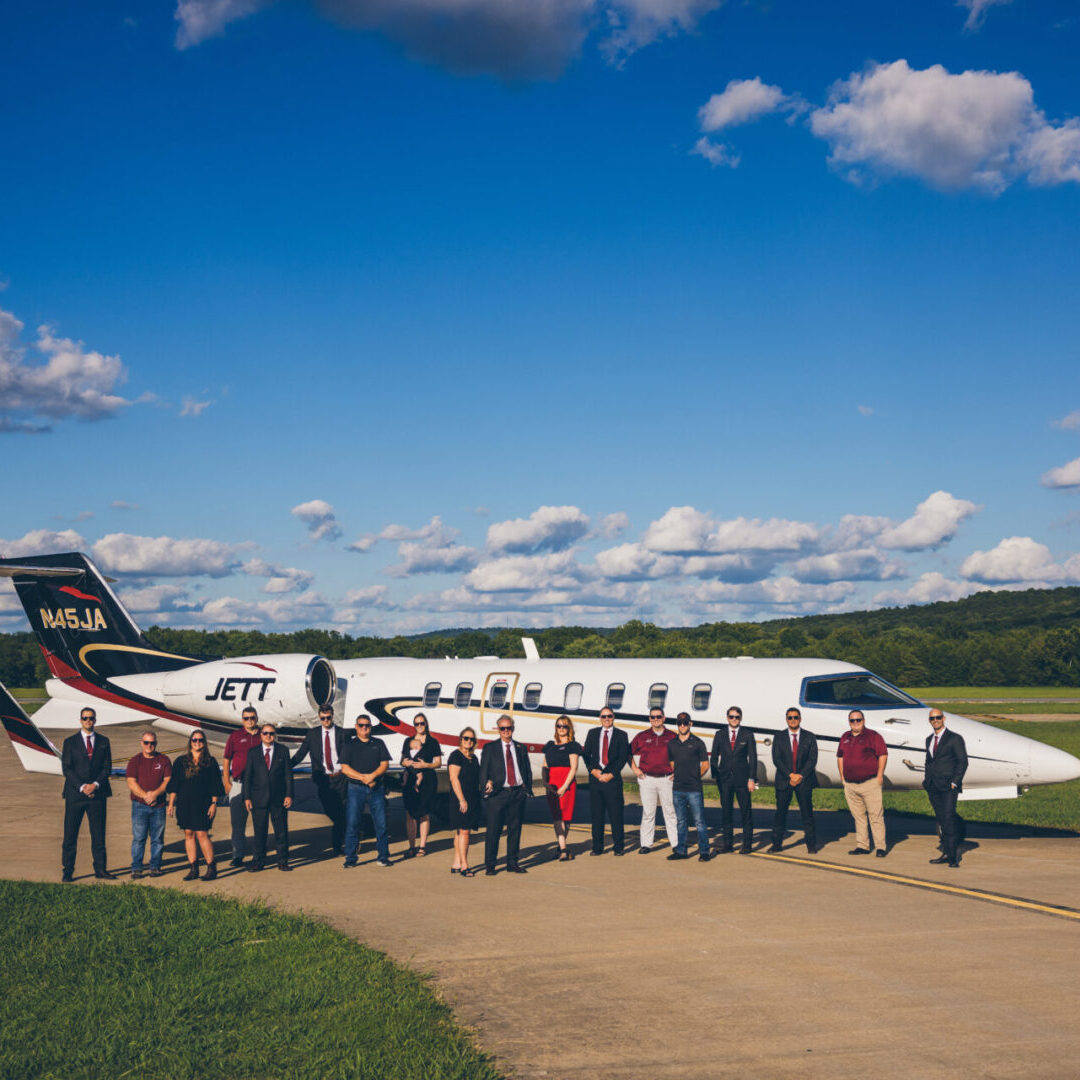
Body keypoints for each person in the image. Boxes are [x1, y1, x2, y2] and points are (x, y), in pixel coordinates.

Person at [60, 707, 115, 881]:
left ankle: (100, 869)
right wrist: (83, 786)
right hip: (75, 795)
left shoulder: (104, 741)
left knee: (98, 834)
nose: (88, 721)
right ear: (80, 720)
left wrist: (95, 785)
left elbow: (107, 768)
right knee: (70, 834)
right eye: (85, 718)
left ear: (95, 720)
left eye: (91, 718)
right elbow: (66, 768)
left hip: (97, 795)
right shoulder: (70, 742)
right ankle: (68, 870)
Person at [166, 729, 226, 880]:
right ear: (190, 742)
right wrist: (171, 804)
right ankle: (193, 868)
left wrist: (214, 803)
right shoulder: (180, 761)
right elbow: (175, 784)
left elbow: (215, 785)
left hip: (204, 803)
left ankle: (211, 867)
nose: (197, 743)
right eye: (194, 740)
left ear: (204, 743)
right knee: (188, 833)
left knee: (202, 834)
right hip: (185, 803)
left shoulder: (210, 761)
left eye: (200, 740)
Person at [479, 714, 533, 875]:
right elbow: (483, 771)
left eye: (509, 728)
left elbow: (527, 770)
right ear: (498, 730)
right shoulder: (490, 748)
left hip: (517, 794)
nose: (506, 731)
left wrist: (526, 790)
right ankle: (490, 864)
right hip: (498, 795)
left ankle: (512, 862)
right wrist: (485, 786)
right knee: (493, 831)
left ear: (513, 729)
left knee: (515, 830)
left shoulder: (520, 748)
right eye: (503, 728)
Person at [290, 705, 347, 856]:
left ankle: (338, 846)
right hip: (323, 780)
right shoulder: (313, 734)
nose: (326, 721)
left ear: (332, 716)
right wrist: (285, 766)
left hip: (341, 778)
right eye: (323, 718)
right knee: (332, 812)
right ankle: (345, 836)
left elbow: (350, 754)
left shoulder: (342, 733)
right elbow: (301, 753)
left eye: (328, 717)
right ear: (319, 717)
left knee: (342, 812)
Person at [341, 714, 392, 868]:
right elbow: (345, 768)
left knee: (381, 824)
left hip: (376, 788)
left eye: (367, 726)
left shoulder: (378, 743)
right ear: (356, 727)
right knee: (352, 824)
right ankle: (350, 858)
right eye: (361, 725)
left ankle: (383, 856)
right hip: (355, 789)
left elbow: (384, 764)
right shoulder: (349, 745)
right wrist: (362, 778)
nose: (364, 728)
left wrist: (373, 776)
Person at [243, 722, 294, 872]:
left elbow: (288, 776)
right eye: (265, 733)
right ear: (261, 735)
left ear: (275, 735)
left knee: (281, 832)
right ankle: (259, 861)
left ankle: (283, 860)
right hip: (258, 799)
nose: (268, 736)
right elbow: (247, 777)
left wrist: (289, 795)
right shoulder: (253, 752)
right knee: (259, 832)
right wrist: (247, 797)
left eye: (271, 733)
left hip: (278, 799)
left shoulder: (283, 751)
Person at [837, 710, 889, 857]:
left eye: (858, 720)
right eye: (852, 721)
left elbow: (883, 754)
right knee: (858, 817)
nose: (855, 723)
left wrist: (879, 775)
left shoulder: (873, 736)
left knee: (876, 816)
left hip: (870, 782)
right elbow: (840, 756)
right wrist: (842, 777)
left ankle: (880, 847)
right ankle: (862, 846)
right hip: (850, 784)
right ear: (849, 722)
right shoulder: (845, 737)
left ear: (863, 720)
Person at [710, 705, 758, 854]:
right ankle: (728, 844)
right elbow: (714, 757)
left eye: (737, 717)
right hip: (725, 780)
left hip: (742, 779)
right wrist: (717, 776)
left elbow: (753, 758)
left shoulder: (747, 735)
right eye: (731, 717)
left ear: (740, 718)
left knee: (746, 812)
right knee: (726, 813)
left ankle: (747, 845)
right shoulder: (720, 734)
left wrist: (752, 779)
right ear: (727, 718)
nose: (734, 719)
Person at [770, 707, 819, 854]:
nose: (793, 720)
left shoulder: (810, 737)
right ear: (786, 719)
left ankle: (811, 845)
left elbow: (812, 759)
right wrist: (790, 775)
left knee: (807, 815)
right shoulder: (778, 737)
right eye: (790, 717)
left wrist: (800, 776)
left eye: (795, 717)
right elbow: (776, 759)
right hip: (784, 780)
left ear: (800, 719)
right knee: (780, 814)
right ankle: (776, 844)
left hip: (804, 781)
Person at [583, 707, 630, 856]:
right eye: (604, 716)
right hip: (596, 781)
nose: (607, 719)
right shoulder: (592, 733)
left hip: (613, 781)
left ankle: (618, 847)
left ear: (613, 717)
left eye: (609, 716)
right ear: (600, 718)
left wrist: (611, 774)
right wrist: (593, 770)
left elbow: (622, 759)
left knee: (616, 816)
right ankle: (597, 847)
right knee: (597, 816)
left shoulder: (622, 735)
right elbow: (586, 755)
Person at [924, 709, 968, 868]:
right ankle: (946, 853)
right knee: (942, 820)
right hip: (933, 786)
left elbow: (962, 762)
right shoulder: (929, 739)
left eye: (938, 717)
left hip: (948, 787)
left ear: (944, 718)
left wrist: (955, 782)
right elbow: (929, 761)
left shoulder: (955, 738)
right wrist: (926, 781)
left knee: (949, 820)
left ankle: (953, 858)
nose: (935, 720)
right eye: (932, 718)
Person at [125, 729, 172, 878]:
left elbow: (168, 780)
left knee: (157, 839)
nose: (149, 745)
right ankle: (137, 868)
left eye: (152, 743)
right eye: (146, 742)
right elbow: (131, 782)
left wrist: (156, 794)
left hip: (159, 807)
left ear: (156, 744)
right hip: (139, 806)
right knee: (139, 838)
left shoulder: (164, 760)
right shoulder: (134, 761)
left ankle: (155, 867)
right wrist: (146, 796)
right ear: (141, 743)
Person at [630, 708, 676, 854]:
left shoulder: (672, 736)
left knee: (670, 812)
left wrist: (677, 772)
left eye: (658, 716)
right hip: (647, 779)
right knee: (649, 813)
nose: (655, 719)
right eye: (652, 717)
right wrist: (636, 770)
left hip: (666, 779)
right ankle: (646, 844)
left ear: (664, 718)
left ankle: (676, 844)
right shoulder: (642, 736)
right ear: (649, 719)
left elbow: (681, 755)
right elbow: (627, 753)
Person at [667, 713, 710, 862]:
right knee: (681, 821)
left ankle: (704, 851)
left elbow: (705, 765)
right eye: (680, 723)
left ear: (690, 724)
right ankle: (681, 851)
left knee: (699, 822)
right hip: (678, 788)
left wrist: (695, 776)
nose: (682, 725)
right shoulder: (672, 744)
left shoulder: (698, 743)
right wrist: (679, 774)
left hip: (694, 789)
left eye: (685, 722)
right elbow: (672, 763)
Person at [222, 706, 262, 867]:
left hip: (258, 785)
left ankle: (259, 855)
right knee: (237, 824)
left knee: (260, 822)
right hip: (238, 784)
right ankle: (238, 855)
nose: (250, 721)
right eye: (246, 718)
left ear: (257, 718)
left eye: (252, 717)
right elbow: (226, 759)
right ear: (242, 720)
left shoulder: (264, 735)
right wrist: (226, 781)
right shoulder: (235, 736)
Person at [400, 713, 442, 857]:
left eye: (422, 723)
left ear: (426, 724)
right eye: (416, 724)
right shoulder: (408, 741)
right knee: (409, 814)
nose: (419, 726)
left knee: (424, 813)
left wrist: (426, 764)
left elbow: (438, 762)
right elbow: (403, 759)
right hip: (410, 779)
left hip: (428, 779)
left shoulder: (433, 742)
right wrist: (404, 763)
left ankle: (422, 846)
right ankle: (411, 846)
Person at [543, 716, 583, 861]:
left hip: (567, 784)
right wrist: (546, 783)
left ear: (569, 728)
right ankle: (564, 849)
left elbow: (574, 768)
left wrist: (564, 787)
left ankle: (561, 847)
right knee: (557, 817)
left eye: (564, 726)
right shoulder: (549, 745)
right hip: (553, 784)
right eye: (559, 726)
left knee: (566, 817)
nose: (561, 729)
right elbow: (545, 766)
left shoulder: (573, 746)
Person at [447, 727, 481, 877]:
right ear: (460, 739)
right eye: (466, 738)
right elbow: (454, 779)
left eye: (471, 739)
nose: (468, 741)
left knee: (460, 832)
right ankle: (465, 865)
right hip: (460, 798)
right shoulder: (456, 756)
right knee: (465, 831)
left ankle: (456, 862)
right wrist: (462, 800)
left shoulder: (474, 758)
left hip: (472, 797)